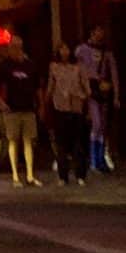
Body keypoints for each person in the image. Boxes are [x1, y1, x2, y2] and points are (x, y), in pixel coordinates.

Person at [76, 23, 118, 174]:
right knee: (96, 123)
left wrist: (116, 94)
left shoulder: (107, 52)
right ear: (92, 32)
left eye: (102, 30)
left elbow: (113, 73)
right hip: (90, 88)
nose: (101, 33)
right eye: (98, 30)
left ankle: (101, 159)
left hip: (103, 89)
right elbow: (78, 71)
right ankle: (94, 160)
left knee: (103, 126)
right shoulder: (82, 50)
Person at [45, 40, 88, 185]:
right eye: (61, 49)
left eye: (66, 48)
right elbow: (50, 86)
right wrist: (46, 102)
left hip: (76, 107)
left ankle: (80, 175)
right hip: (59, 107)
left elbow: (86, 87)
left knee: (78, 143)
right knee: (61, 144)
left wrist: (80, 96)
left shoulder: (78, 67)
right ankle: (63, 176)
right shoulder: (54, 67)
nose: (64, 52)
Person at [0, 46, 38, 185]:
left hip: (28, 108)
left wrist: (40, 103)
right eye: (13, 48)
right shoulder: (5, 66)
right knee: (13, 140)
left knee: (28, 141)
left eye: (18, 47)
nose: (16, 50)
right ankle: (15, 176)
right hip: (12, 109)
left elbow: (37, 85)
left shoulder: (29, 65)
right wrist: (1, 102)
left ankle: (30, 175)